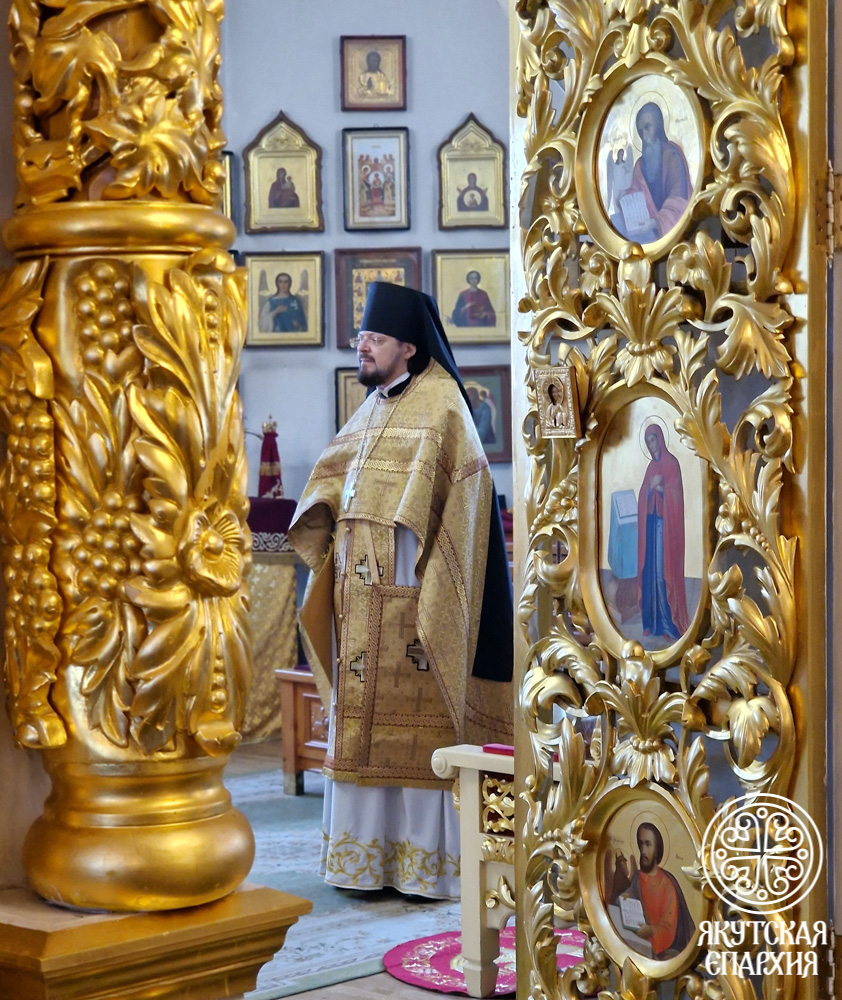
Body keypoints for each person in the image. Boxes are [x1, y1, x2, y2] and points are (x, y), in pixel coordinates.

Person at [289, 281, 513, 899]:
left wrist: (430, 590)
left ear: (409, 347)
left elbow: (465, 511)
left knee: (418, 738)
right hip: (359, 607)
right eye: (361, 337)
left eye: (375, 338)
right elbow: (335, 483)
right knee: (359, 735)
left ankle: (423, 869)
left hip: (415, 605)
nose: (362, 347)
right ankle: (363, 864)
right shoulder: (373, 407)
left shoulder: (444, 407)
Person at [608, 823, 695, 959]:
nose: (643, 851)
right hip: (638, 942)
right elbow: (633, 892)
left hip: (665, 950)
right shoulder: (638, 876)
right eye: (641, 844)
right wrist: (626, 895)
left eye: (648, 844)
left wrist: (650, 930)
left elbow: (668, 927)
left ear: (657, 850)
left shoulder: (667, 885)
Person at [637, 424, 689, 639]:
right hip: (651, 526)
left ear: (660, 439)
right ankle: (651, 623)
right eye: (648, 441)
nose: (652, 445)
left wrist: (660, 489)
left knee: (662, 574)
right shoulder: (651, 467)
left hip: (665, 528)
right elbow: (642, 495)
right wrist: (650, 489)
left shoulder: (672, 464)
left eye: (653, 440)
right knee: (650, 573)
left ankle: (668, 625)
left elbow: (677, 497)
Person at [613, 103, 691, 243]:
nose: (644, 136)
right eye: (640, 131)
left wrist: (656, 222)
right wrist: (623, 201)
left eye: (648, 127)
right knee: (615, 223)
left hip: (669, 227)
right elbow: (634, 194)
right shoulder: (640, 164)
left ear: (658, 126)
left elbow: (680, 199)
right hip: (646, 227)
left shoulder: (672, 156)